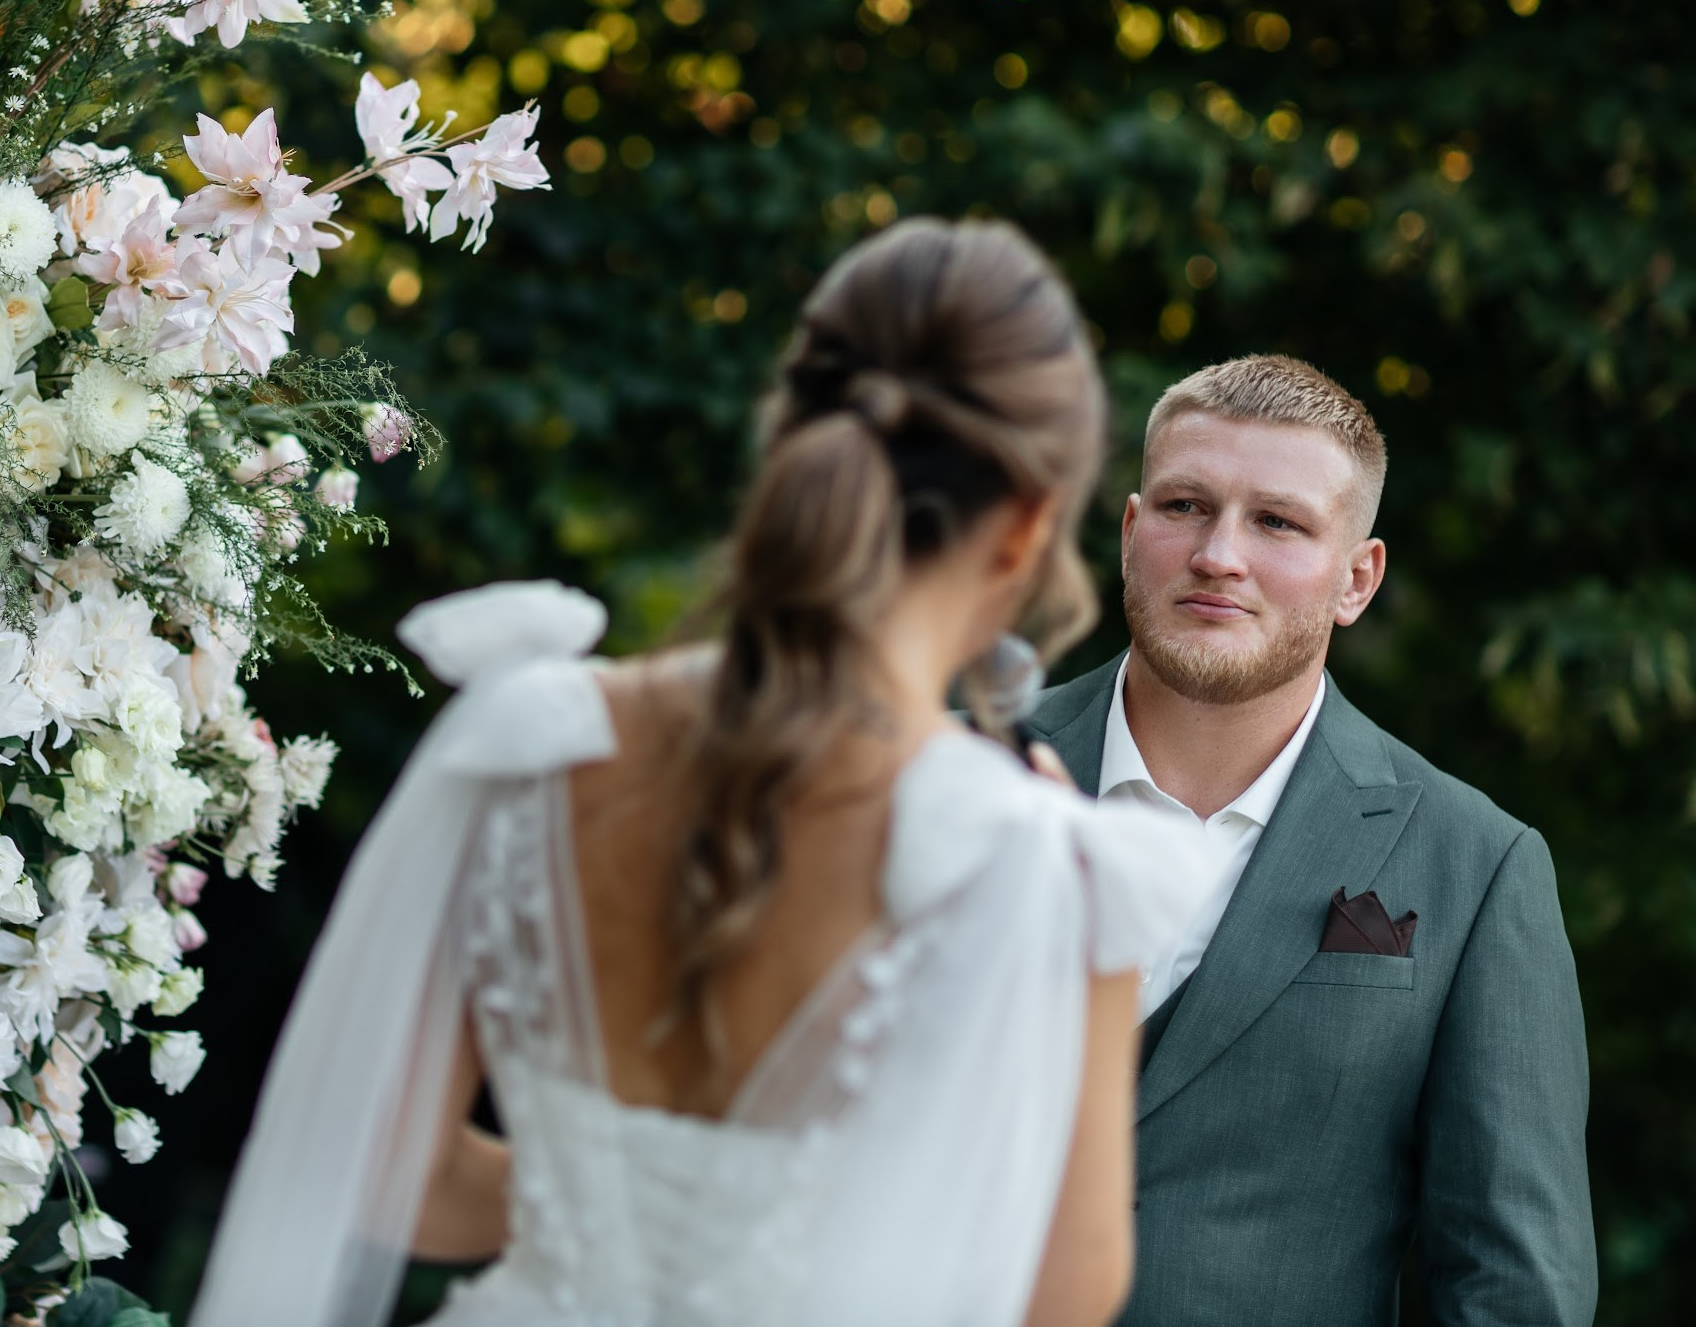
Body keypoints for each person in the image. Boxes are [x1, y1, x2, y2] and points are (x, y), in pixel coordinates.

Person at [191, 219, 1222, 1327]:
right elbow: (1056, 1295)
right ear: (1024, 528)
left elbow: (392, 1162)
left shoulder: (538, 736)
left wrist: (596, 1214)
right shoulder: (1043, 864)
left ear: (789, 439)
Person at [1020, 356, 1596, 1327]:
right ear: (1128, 533)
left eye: (1276, 522)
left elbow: (1513, 1289)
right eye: (1184, 506)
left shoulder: (1474, 865)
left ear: (1356, 579)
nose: (1217, 553)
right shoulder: (949, 781)